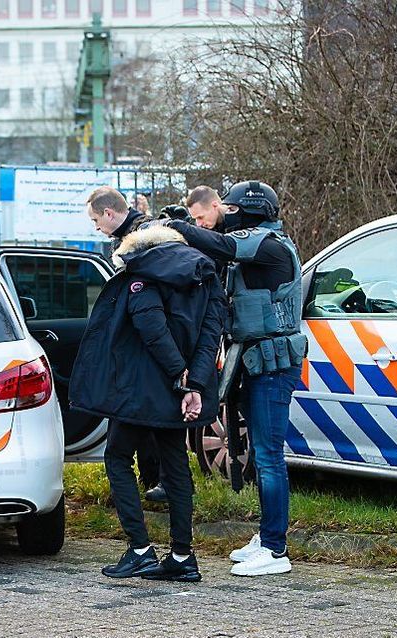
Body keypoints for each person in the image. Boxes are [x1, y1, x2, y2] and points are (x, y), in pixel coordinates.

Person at [72, 188, 227, 583]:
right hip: (184, 389)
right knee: (177, 466)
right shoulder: (205, 272)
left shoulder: (141, 274)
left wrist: (178, 375)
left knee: (117, 458)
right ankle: (182, 556)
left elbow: (150, 328)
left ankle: (140, 549)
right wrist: (194, 382)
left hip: (143, 391)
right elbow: (212, 333)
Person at [164, 181, 306, 577]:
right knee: (261, 455)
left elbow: (223, 246)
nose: (225, 213)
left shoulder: (267, 244)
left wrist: (179, 224)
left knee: (270, 456)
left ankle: (276, 551)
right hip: (255, 361)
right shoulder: (258, 246)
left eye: (230, 207)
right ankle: (267, 537)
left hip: (272, 365)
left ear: (249, 209)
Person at [85, 187, 166, 502]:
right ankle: (152, 484)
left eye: (96, 220)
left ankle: (155, 484)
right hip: (144, 345)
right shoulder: (136, 235)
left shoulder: (140, 241)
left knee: (144, 425)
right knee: (144, 423)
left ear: (108, 213)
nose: (96, 227)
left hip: (146, 345)